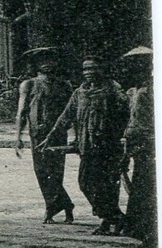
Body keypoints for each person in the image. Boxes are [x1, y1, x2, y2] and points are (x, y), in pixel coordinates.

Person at [52, 57, 130, 235]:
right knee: (85, 183)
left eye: (93, 69)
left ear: (101, 70)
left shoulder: (113, 90)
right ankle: (113, 216)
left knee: (107, 185)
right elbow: (66, 116)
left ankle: (109, 219)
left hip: (107, 147)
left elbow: (125, 115)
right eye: (85, 69)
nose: (88, 73)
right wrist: (50, 137)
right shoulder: (80, 92)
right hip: (87, 147)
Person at [14, 47, 75, 223]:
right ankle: (61, 204)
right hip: (38, 133)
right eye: (42, 61)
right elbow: (22, 111)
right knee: (41, 171)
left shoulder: (64, 85)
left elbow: (72, 111)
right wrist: (18, 137)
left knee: (56, 172)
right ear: (35, 64)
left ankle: (55, 206)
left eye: (50, 60)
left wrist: (75, 134)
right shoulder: (29, 84)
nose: (47, 64)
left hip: (57, 133)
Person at [120, 47, 153, 246]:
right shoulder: (135, 91)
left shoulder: (149, 90)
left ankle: (149, 237)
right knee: (140, 187)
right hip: (137, 144)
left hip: (147, 144)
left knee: (145, 189)